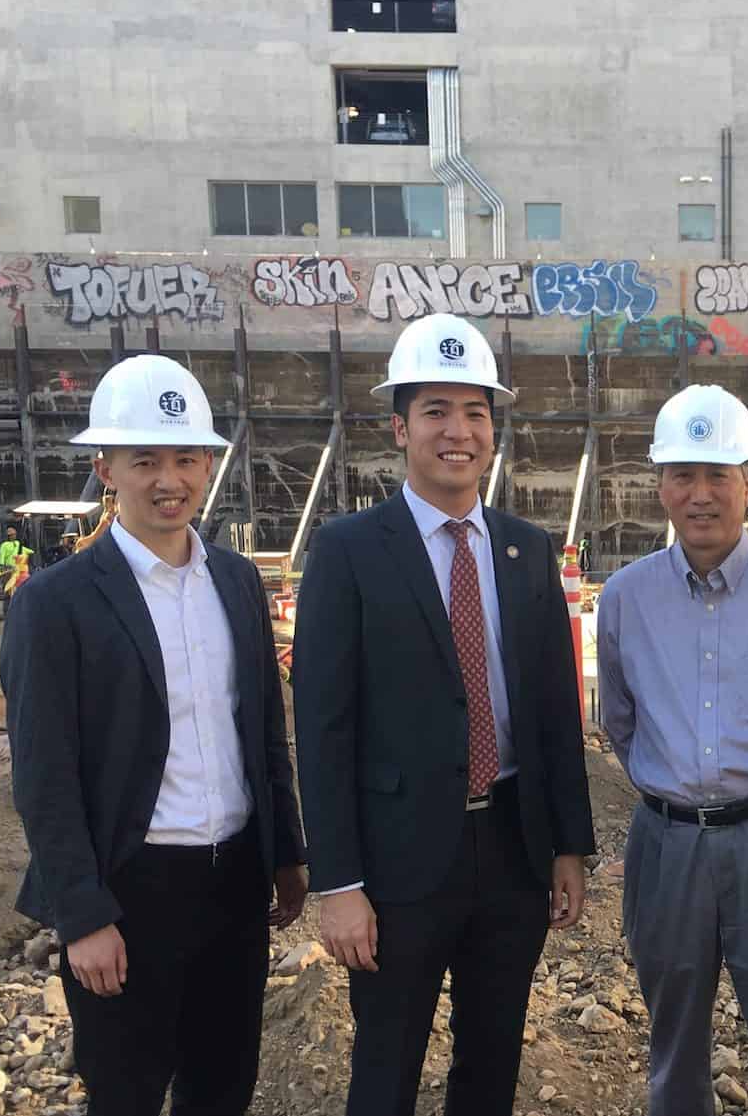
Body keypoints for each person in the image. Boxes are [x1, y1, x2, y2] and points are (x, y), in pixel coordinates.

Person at [292, 312, 596, 1116]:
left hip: (511, 851)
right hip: (396, 866)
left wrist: (569, 845)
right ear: (399, 427)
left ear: (494, 428)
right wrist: (340, 882)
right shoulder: (349, 550)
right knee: (386, 1065)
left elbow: (555, 717)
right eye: (436, 411)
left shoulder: (526, 550)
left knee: (491, 1062)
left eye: (475, 412)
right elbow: (322, 730)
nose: (457, 431)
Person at [1, 354, 308, 1116]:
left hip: (234, 885)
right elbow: (45, 774)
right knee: (127, 1094)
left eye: (185, 458)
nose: (169, 479)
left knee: (222, 1088)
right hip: (131, 891)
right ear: (106, 467)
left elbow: (265, 730)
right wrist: (84, 915)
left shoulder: (236, 581)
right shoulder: (56, 603)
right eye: (146, 460)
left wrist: (288, 854)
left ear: (208, 462)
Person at [596, 384, 748, 1116]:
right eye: (683, 475)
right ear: (660, 483)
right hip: (666, 844)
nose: (700, 495)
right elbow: (620, 721)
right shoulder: (625, 598)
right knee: (673, 1043)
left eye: (718, 475)